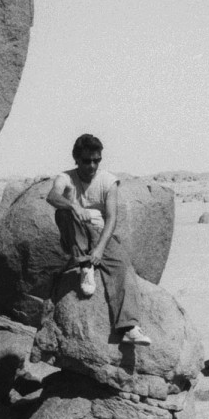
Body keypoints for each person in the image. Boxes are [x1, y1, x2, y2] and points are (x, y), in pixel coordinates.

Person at [45, 134, 151, 346]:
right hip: (76, 232)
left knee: (123, 266)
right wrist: (74, 205)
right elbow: (52, 197)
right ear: (76, 158)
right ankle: (85, 265)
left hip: (100, 233)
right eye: (87, 160)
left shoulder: (108, 181)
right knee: (63, 213)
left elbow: (112, 218)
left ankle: (129, 327)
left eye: (96, 160)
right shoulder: (65, 178)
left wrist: (100, 249)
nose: (92, 165)